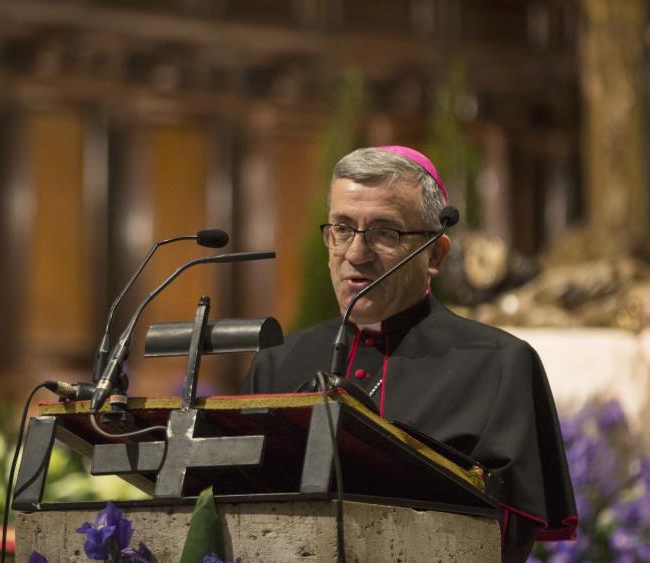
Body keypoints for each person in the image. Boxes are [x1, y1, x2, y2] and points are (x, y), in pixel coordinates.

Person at [241, 146, 577, 563]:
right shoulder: (278, 361)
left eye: (385, 232)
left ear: (435, 255)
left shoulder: (500, 364)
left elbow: (502, 539)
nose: (355, 253)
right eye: (342, 228)